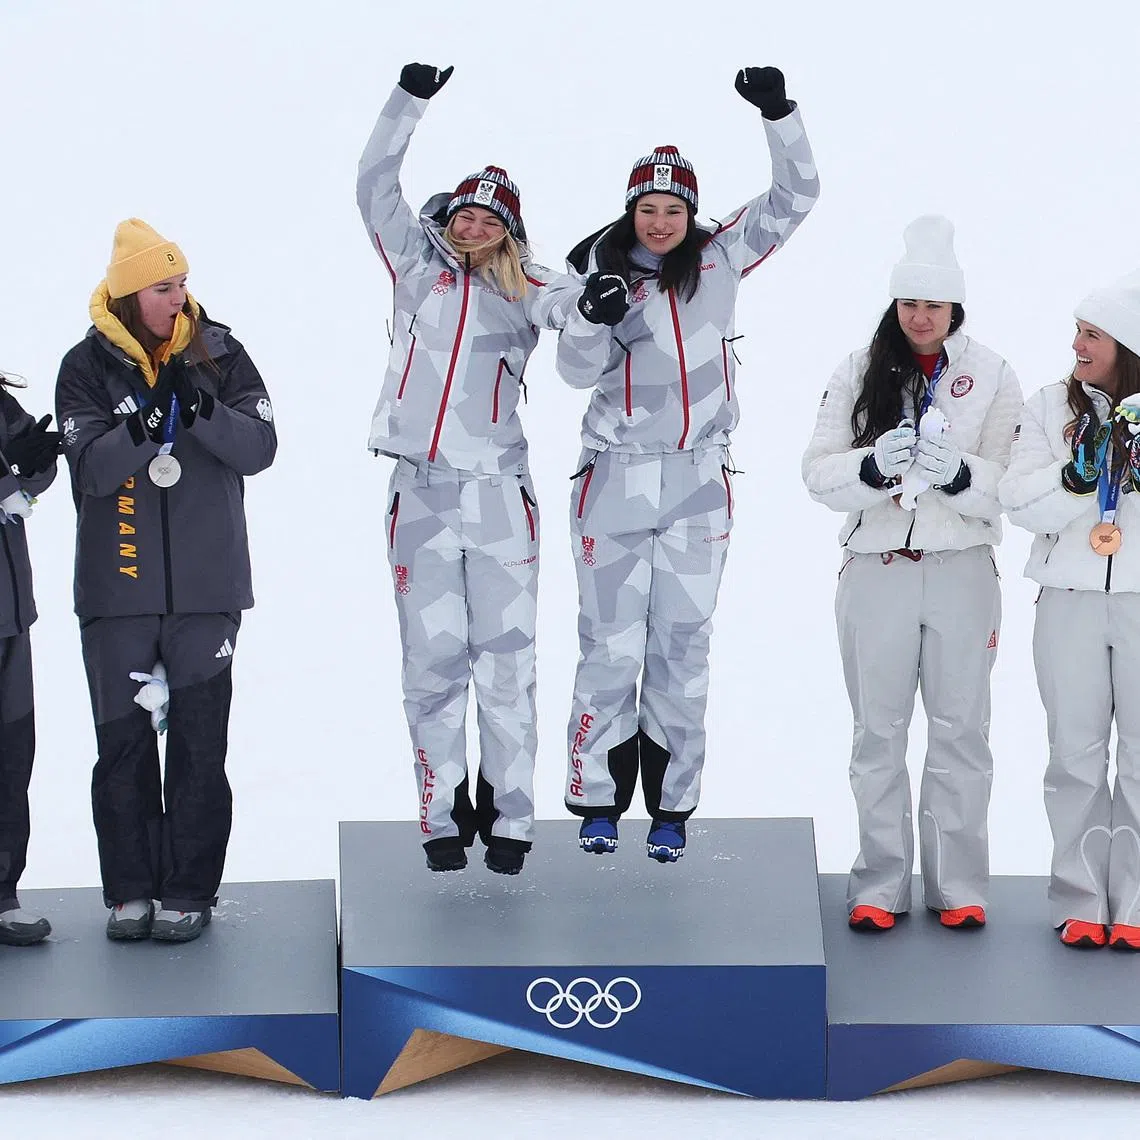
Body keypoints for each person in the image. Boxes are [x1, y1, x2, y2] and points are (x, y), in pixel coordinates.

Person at [555, 66, 819, 862]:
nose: (661, 221)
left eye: (674, 209)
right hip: (614, 475)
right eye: (649, 208)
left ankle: (672, 807)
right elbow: (572, 372)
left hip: (700, 478)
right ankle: (598, 800)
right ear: (629, 208)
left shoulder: (721, 256)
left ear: (691, 213)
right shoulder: (595, 272)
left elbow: (795, 197)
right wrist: (592, 321)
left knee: (682, 641)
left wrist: (779, 114)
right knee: (609, 642)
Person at [358, 63, 588, 877]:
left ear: (510, 229)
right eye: (464, 212)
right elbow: (374, 182)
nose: (473, 225)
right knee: (431, 666)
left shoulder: (527, 284)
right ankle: (438, 815)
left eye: (490, 217)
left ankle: (512, 818)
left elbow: (570, 305)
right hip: (418, 494)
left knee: (506, 661)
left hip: (498, 499)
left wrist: (589, 302)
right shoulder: (415, 270)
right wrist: (409, 99)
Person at [56, 219, 276, 943]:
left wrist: (203, 409)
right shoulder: (84, 368)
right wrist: (144, 429)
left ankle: (188, 890)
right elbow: (88, 470)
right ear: (127, 295)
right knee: (122, 746)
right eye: (163, 286)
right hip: (117, 595)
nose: (180, 297)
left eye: (182, 283)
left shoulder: (220, 353)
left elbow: (260, 447)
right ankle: (129, 892)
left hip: (209, 593)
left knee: (199, 745)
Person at [803, 215, 1022, 931]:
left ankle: (958, 887)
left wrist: (959, 475)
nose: (920, 317)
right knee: (878, 731)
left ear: (955, 309)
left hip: (961, 570)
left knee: (961, 729)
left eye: (933, 305)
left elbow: (1013, 485)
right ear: (894, 307)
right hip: (877, 572)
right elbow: (817, 473)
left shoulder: (990, 373)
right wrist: (871, 468)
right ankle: (879, 883)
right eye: (908, 304)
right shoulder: (859, 368)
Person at [999, 268, 1140, 951]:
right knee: (1076, 756)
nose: (1077, 345)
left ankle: (1136, 904)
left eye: (1093, 334)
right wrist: (1079, 476)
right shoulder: (1049, 404)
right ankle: (1082, 898)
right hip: (1070, 603)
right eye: (1078, 331)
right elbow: (1017, 502)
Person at [0, 371, 61, 946]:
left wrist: (25, 465)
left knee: (11, 759)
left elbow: (40, 463)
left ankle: (2, 894)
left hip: (10, 613)